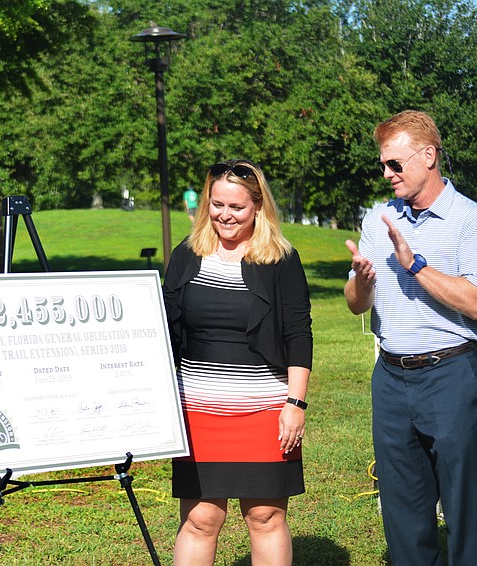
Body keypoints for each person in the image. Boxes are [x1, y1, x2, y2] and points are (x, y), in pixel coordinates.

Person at [163, 159, 312, 565]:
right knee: (200, 519)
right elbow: (164, 329)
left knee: (265, 517)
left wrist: (295, 404)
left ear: (258, 207)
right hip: (197, 413)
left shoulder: (281, 259)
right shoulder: (186, 255)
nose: (224, 215)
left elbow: (298, 335)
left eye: (236, 207)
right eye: (217, 205)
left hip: (265, 412)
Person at [344, 110, 477, 565]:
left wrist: (414, 264)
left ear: (429, 156)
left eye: (395, 164)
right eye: (383, 164)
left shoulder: (467, 219)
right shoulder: (378, 218)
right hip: (391, 377)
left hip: (452, 373)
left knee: (466, 506)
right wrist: (362, 281)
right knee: (402, 510)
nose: (387, 173)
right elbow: (356, 304)